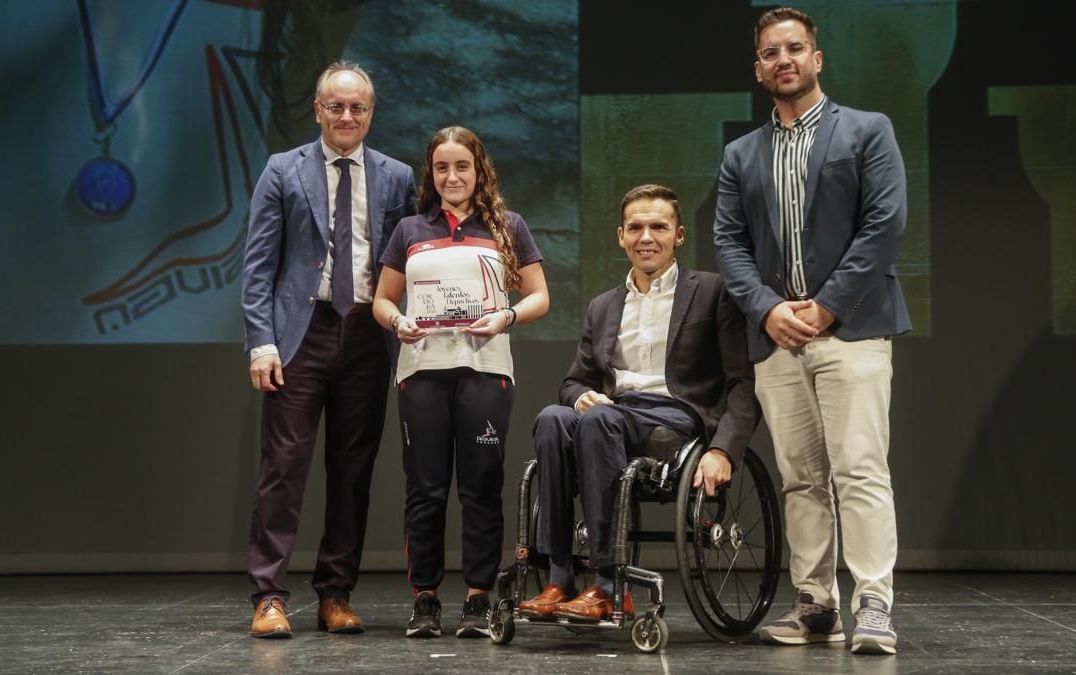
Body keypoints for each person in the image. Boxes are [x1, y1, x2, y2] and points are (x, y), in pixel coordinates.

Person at [713, 7, 912, 656]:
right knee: (801, 476)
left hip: (850, 329)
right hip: (776, 338)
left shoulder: (867, 131)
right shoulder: (741, 154)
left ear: (817, 59)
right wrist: (769, 309)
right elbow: (729, 243)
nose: (784, 59)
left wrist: (825, 307)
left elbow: (884, 224)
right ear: (758, 69)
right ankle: (816, 603)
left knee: (858, 469)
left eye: (795, 48)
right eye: (771, 52)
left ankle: (874, 604)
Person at [518, 184, 758, 622]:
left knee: (601, 420)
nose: (646, 236)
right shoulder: (603, 306)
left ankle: (610, 584)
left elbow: (741, 382)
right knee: (553, 419)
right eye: (636, 227)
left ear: (679, 235)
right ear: (621, 236)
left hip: (675, 415)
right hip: (614, 415)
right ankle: (557, 577)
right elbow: (574, 381)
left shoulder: (711, 291)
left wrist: (723, 449)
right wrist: (581, 396)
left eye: (658, 226)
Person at [241, 62, 416, 638]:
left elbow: (408, 262)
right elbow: (259, 267)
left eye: (357, 107)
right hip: (300, 335)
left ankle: (335, 594)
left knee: (353, 471)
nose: (346, 116)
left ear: (371, 113)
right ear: (318, 110)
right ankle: (268, 595)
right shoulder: (281, 170)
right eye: (336, 106)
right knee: (282, 471)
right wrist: (261, 343)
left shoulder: (397, 175)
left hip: (369, 335)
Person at [372, 126, 550, 639]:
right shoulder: (409, 228)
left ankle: (477, 599)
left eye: (462, 166)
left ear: (479, 170)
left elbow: (539, 295)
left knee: (481, 489)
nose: (452, 176)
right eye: (442, 167)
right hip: (421, 373)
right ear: (431, 173)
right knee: (425, 491)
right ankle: (425, 599)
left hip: (486, 372)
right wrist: (395, 321)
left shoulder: (507, 225)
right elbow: (383, 300)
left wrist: (506, 318)